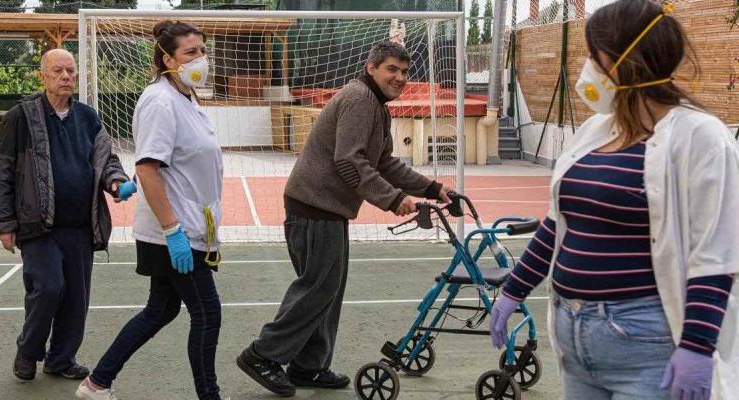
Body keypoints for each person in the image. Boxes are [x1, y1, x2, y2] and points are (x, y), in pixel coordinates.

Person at [489, 1, 739, 399]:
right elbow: (558, 224)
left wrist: (696, 346)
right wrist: (514, 289)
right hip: (574, 335)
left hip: (646, 342)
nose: (587, 66)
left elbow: (716, 254)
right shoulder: (596, 131)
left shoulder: (700, 137)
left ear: (626, 60)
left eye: (593, 54)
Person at [236, 41, 453, 397]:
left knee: (327, 290)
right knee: (317, 288)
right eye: (391, 70)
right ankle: (262, 355)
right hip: (315, 207)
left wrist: (432, 188)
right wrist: (393, 199)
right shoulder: (358, 101)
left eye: (404, 71)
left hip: (327, 209)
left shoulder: (376, 107)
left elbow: (384, 163)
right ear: (372, 68)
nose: (399, 77)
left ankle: (309, 366)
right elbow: (349, 161)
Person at [75, 20, 223, 400]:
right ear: (167, 58)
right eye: (191, 52)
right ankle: (210, 395)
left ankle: (97, 382)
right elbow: (147, 165)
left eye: (202, 50)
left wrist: (138, 184)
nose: (200, 59)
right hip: (174, 231)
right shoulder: (160, 100)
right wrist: (172, 230)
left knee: (160, 310)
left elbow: (166, 160)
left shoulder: (186, 97)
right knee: (207, 314)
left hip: (189, 225)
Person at [0, 48, 133, 383]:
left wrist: (116, 181)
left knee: (76, 298)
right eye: (58, 71)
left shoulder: (88, 117)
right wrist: (3, 223)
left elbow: (106, 158)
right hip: (37, 224)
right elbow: (3, 171)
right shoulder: (21, 116)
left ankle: (61, 359)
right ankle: (28, 351)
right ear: (43, 76)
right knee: (49, 289)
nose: (66, 76)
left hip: (81, 225)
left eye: (71, 71)